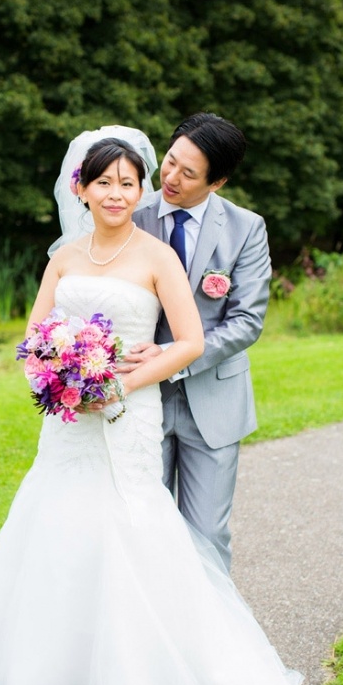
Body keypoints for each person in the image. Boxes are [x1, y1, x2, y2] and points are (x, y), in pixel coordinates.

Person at [0, 131, 302, 685]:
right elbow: (33, 337)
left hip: (128, 412)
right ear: (79, 188)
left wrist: (117, 381)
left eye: (127, 183)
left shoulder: (158, 255)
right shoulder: (63, 258)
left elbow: (188, 341)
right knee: (62, 526)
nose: (119, 192)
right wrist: (58, 375)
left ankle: (150, 669)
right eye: (104, 182)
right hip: (69, 424)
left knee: (141, 528)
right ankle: (66, 667)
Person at [129, 112, 272, 572]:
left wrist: (178, 356)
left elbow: (247, 320)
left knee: (208, 535)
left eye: (188, 173)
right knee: (140, 530)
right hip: (140, 399)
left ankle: (209, 642)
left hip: (212, 402)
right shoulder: (132, 216)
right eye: (169, 162)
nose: (170, 177)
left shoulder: (246, 228)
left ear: (218, 182)